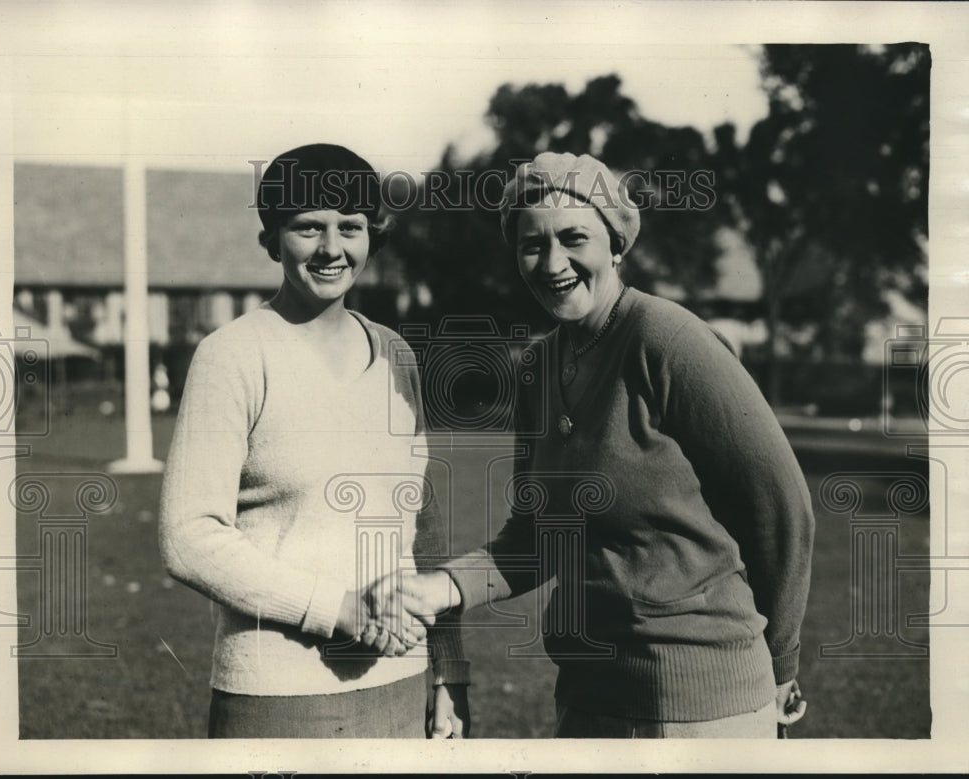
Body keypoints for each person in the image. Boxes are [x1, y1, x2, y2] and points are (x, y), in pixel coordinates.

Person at [400, 151, 814, 738]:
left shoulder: (668, 340)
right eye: (531, 245)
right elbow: (539, 536)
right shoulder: (538, 365)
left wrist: (781, 664)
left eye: (574, 239)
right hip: (588, 698)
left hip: (701, 704)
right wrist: (441, 587)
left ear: (616, 243)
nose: (552, 263)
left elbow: (782, 508)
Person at [159, 143, 469, 739]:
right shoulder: (232, 355)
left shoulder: (396, 354)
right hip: (281, 693)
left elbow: (421, 528)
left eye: (350, 227)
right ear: (272, 239)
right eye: (308, 227)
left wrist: (448, 674)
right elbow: (188, 537)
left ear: (371, 237)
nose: (332, 249)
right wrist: (339, 609)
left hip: (403, 684)